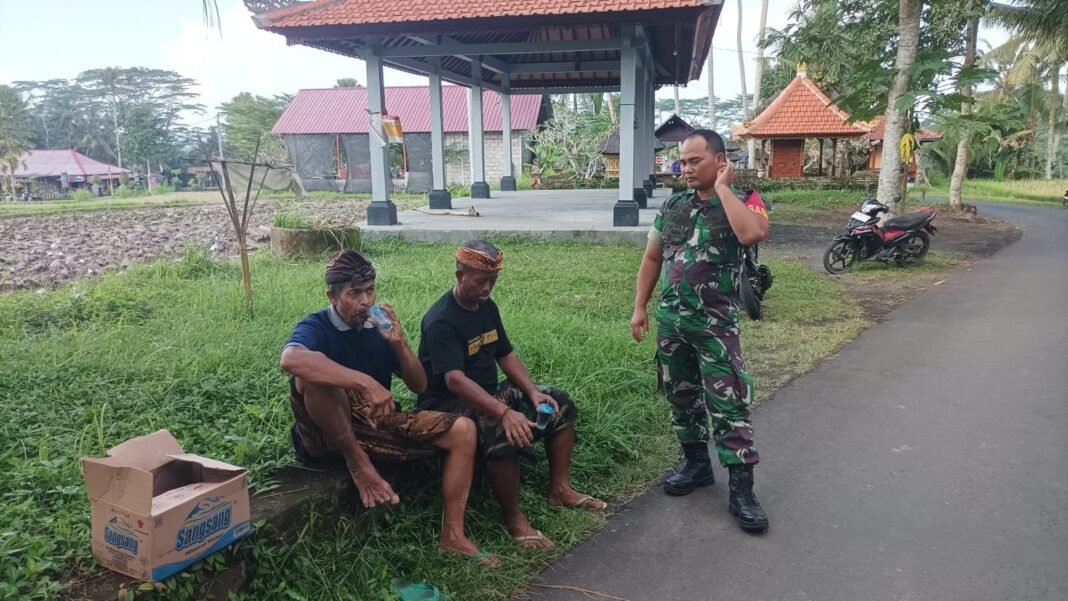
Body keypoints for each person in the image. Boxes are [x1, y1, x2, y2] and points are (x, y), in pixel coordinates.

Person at [279, 249, 498, 566]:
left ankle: (453, 535)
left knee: (464, 430)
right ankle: (358, 464)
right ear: (332, 295)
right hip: (328, 436)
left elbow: (419, 385)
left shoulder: (376, 327)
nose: (365, 301)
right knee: (314, 378)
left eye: (370, 290)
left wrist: (399, 343)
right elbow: (291, 360)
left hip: (377, 425)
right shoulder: (316, 327)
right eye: (355, 293)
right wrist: (365, 383)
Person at [417, 240, 606, 550]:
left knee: (558, 402)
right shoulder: (441, 320)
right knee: (500, 428)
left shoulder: (487, 307)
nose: (488, 287)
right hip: (448, 405)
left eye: (493, 280)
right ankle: (514, 518)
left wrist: (531, 393)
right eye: (480, 280)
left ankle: (560, 489)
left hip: (489, 394)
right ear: (459, 275)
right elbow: (455, 381)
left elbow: (505, 354)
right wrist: (504, 412)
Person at [630, 129, 771, 534]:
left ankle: (742, 490)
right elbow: (653, 256)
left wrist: (725, 189)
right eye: (682, 161)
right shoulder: (674, 205)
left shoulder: (746, 201)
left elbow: (752, 234)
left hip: (715, 327)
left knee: (728, 406)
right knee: (682, 396)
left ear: (720, 161)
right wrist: (640, 306)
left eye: (695, 161)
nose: (685, 169)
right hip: (673, 322)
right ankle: (696, 465)